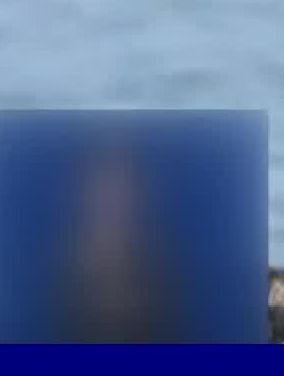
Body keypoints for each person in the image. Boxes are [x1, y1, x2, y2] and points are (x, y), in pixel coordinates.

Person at [49, 140, 191, 343]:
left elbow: (169, 322)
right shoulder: (72, 263)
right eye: (105, 185)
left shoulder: (159, 260)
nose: (115, 196)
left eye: (123, 185)